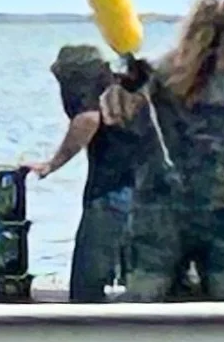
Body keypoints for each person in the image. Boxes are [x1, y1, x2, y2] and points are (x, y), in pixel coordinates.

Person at [99, 0, 224, 302]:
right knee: (219, 302)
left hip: (183, 210)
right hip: (195, 213)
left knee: (152, 298)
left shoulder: (160, 73)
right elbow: (117, 114)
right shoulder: (157, 76)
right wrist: (127, 85)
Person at [28, 45, 140, 302]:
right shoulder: (125, 89)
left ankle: (88, 325)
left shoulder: (88, 86)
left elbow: (87, 119)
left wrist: (52, 165)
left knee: (89, 279)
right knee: (142, 275)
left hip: (113, 189)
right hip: (150, 188)